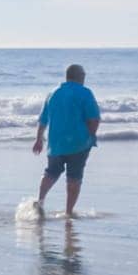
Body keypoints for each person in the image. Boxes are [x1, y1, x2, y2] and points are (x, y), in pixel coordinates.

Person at [32, 64, 101, 217]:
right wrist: (90, 136)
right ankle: (68, 212)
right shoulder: (85, 93)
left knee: (51, 172)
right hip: (79, 143)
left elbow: (43, 120)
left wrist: (38, 139)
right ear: (80, 76)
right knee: (74, 177)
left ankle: (40, 200)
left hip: (55, 143)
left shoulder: (53, 93)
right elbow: (94, 119)